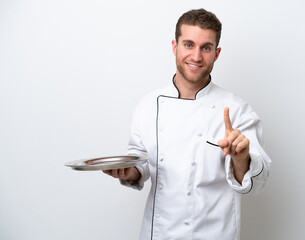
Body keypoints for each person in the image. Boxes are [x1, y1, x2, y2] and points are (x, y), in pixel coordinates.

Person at [103, 8, 271, 240]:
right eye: (189, 45)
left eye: (206, 48)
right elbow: (139, 160)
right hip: (159, 234)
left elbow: (259, 180)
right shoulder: (148, 104)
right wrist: (128, 172)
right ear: (175, 46)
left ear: (217, 53)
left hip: (214, 234)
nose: (196, 56)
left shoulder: (237, 109)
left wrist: (241, 159)